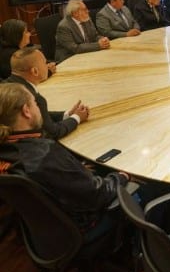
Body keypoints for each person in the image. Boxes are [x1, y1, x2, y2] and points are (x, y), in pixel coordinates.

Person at [0, 82, 130, 239]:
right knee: (149, 188)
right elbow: (98, 194)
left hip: (45, 227)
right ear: (26, 111)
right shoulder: (45, 156)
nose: (39, 108)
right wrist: (122, 176)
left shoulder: (8, 147)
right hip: (82, 226)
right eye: (35, 103)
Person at [6, 47, 89, 140]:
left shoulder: (6, 87)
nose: (48, 65)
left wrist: (67, 114)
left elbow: (43, 115)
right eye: (45, 63)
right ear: (35, 71)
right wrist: (77, 118)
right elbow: (53, 133)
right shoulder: (33, 98)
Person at [55, 0, 110, 64]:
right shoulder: (64, 26)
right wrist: (98, 45)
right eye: (84, 9)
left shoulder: (86, 19)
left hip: (85, 55)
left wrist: (102, 40)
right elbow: (75, 48)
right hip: (68, 59)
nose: (88, 11)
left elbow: (95, 36)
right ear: (75, 13)